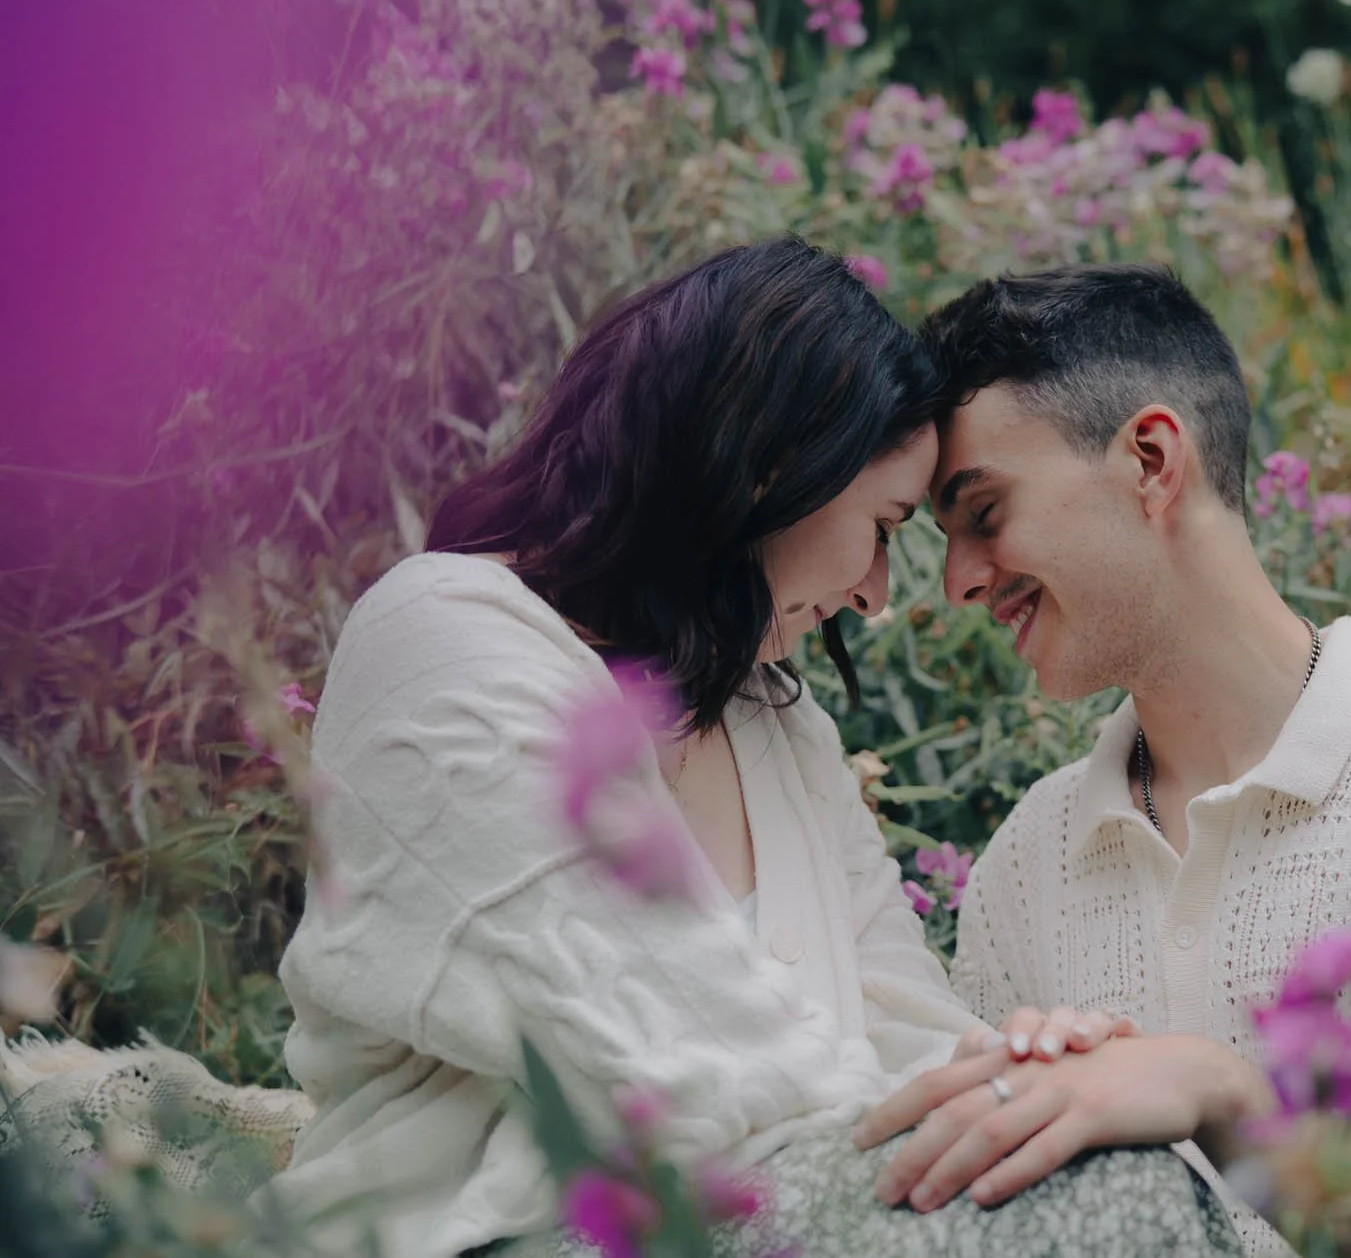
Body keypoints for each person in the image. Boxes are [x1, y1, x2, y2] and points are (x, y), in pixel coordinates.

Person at [259, 239, 1241, 1257]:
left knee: (1115, 1169)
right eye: (883, 525)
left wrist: (1050, 1084)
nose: (875, 593)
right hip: (502, 1236)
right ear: (770, 467)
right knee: (1105, 1192)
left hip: (781, 1217)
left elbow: (904, 1028)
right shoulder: (444, 642)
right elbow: (677, 1062)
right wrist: (1006, 1119)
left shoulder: (778, 727)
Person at [853, 264, 1351, 1258]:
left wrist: (1227, 1103)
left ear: (1150, 459)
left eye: (984, 513)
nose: (961, 581)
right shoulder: (1026, 860)